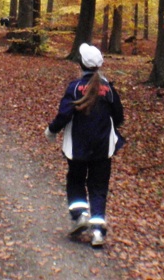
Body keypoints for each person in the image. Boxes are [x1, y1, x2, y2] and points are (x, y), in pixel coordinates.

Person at [45, 43, 125, 249]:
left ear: (81, 64)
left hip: (77, 146)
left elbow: (65, 113)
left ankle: (80, 214)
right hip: (102, 147)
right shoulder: (108, 89)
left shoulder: (74, 88)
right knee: (98, 187)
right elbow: (119, 117)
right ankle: (98, 230)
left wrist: (52, 130)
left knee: (75, 180)